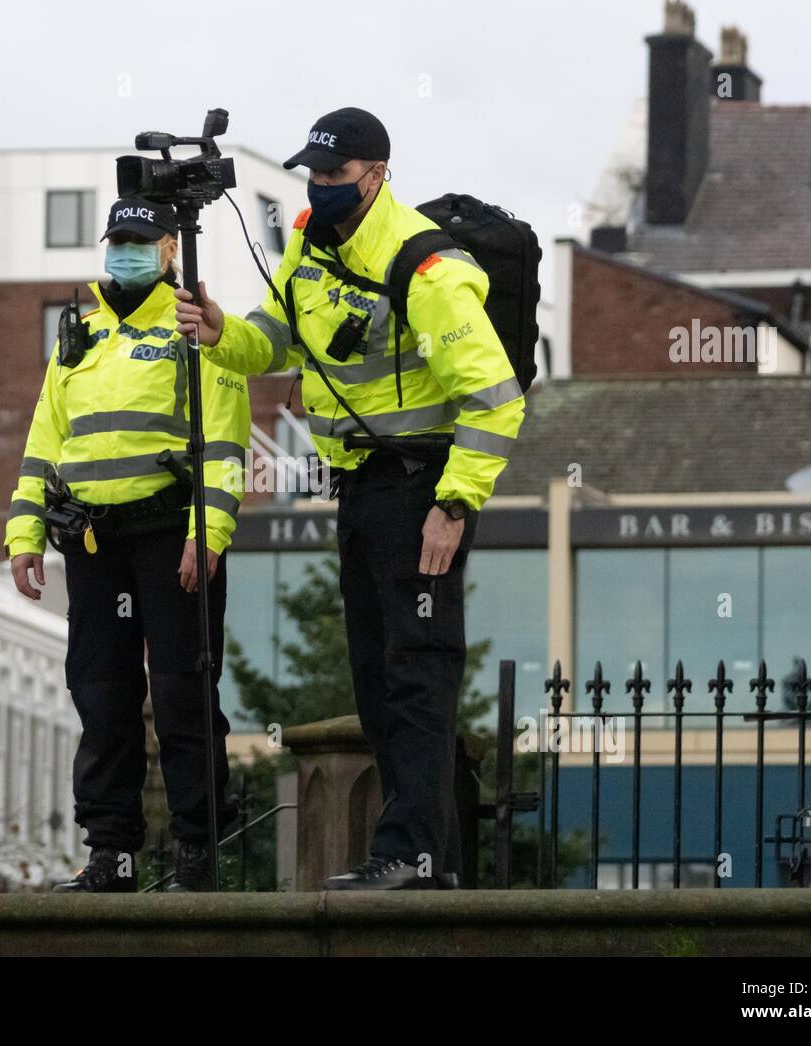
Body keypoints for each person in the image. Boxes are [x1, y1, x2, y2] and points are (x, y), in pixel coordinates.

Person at [175, 107, 524, 890]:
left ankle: (413, 857)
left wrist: (456, 502)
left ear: (377, 176)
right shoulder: (309, 242)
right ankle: (421, 859)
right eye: (313, 174)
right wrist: (220, 330)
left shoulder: (422, 268)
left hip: (419, 488)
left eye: (334, 177)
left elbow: (496, 398)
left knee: (416, 679)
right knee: (376, 679)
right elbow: (276, 338)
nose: (319, 188)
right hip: (360, 490)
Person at [6, 196, 249, 892]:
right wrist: (24, 532)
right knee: (102, 701)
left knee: (183, 698)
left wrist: (209, 532)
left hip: (172, 536)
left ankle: (197, 856)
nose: (126, 251)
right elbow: (42, 443)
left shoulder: (196, 329)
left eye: (142, 241)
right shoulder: (77, 335)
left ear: (170, 251)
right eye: (118, 239)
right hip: (92, 542)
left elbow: (226, 443)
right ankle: (111, 855)